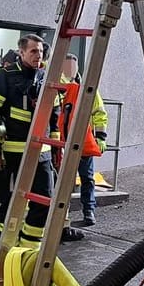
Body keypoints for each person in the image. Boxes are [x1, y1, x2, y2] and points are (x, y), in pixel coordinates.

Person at [0, 34, 62, 249]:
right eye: (33, 51)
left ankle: (29, 248)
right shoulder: (5, 76)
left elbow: (54, 115)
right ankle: (5, 247)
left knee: (45, 201)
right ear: (21, 52)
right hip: (12, 154)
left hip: (42, 154)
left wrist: (55, 148)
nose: (39, 55)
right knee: (9, 203)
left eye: (41, 51)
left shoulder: (46, 77)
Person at [59, 54, 108, 226]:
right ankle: (61, 215)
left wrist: (101, 137)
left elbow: (99, 113)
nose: (70, 69)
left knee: (86, 178)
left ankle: (89, 210)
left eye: (73, 65)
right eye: (67, 65)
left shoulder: (87, 88)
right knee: (62, 180)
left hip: (81, 139)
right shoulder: (57, 86)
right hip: (59, 142)